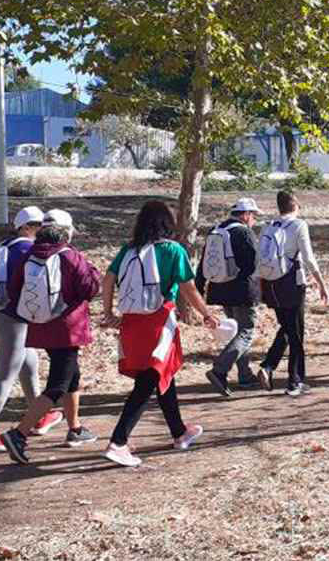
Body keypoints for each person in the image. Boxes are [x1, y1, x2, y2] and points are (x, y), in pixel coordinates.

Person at [100, 199, 218, 468]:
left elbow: (107, 279)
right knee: (149, 380)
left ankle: (179, 432)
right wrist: (207, 314)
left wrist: (108, 313)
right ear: (168, 223)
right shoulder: (173, 250)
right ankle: (118, 442)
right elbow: (188, 288)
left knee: (162, 376)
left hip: (130, 323)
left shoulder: (128, 249)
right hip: (158, 323)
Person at [0, 209, 104, 463]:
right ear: (66, 233)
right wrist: (93, 271)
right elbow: (89, 289)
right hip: (68, 327)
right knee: (57, 385)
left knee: (71, 375)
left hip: (41, 326)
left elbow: (14, 289)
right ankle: (18, 434)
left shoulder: (30, 256)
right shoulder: (71, 256)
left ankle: (75, 428)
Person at [0, 207, 63, 453]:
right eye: (37, 225)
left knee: (29, 362)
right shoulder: (29, 251)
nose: (41, 229)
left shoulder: (3, 247)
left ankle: (41, 416)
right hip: (15, 322)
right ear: (26, 227)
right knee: (4, 377)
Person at [256, 190, 329, 397]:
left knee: (288, 328)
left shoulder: (268, 226)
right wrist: (321, 283)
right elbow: (308, 257)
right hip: (292, 282)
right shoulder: (299, 225)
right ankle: (295, 381)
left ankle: (268, 366)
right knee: (296, 333)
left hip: (271, 283)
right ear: (295, 206)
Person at [197, 197, 262, 396]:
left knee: (236, 332)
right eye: (253, 216)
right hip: (241, 290)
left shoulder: (216, 231)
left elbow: (204, 262)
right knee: (246, 332)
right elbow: (254, 262)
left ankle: (244, 375)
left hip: (220, 288)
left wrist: (200, 286)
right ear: (246, 214)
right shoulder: (243, 232)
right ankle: (219, 370)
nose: (254, 221)